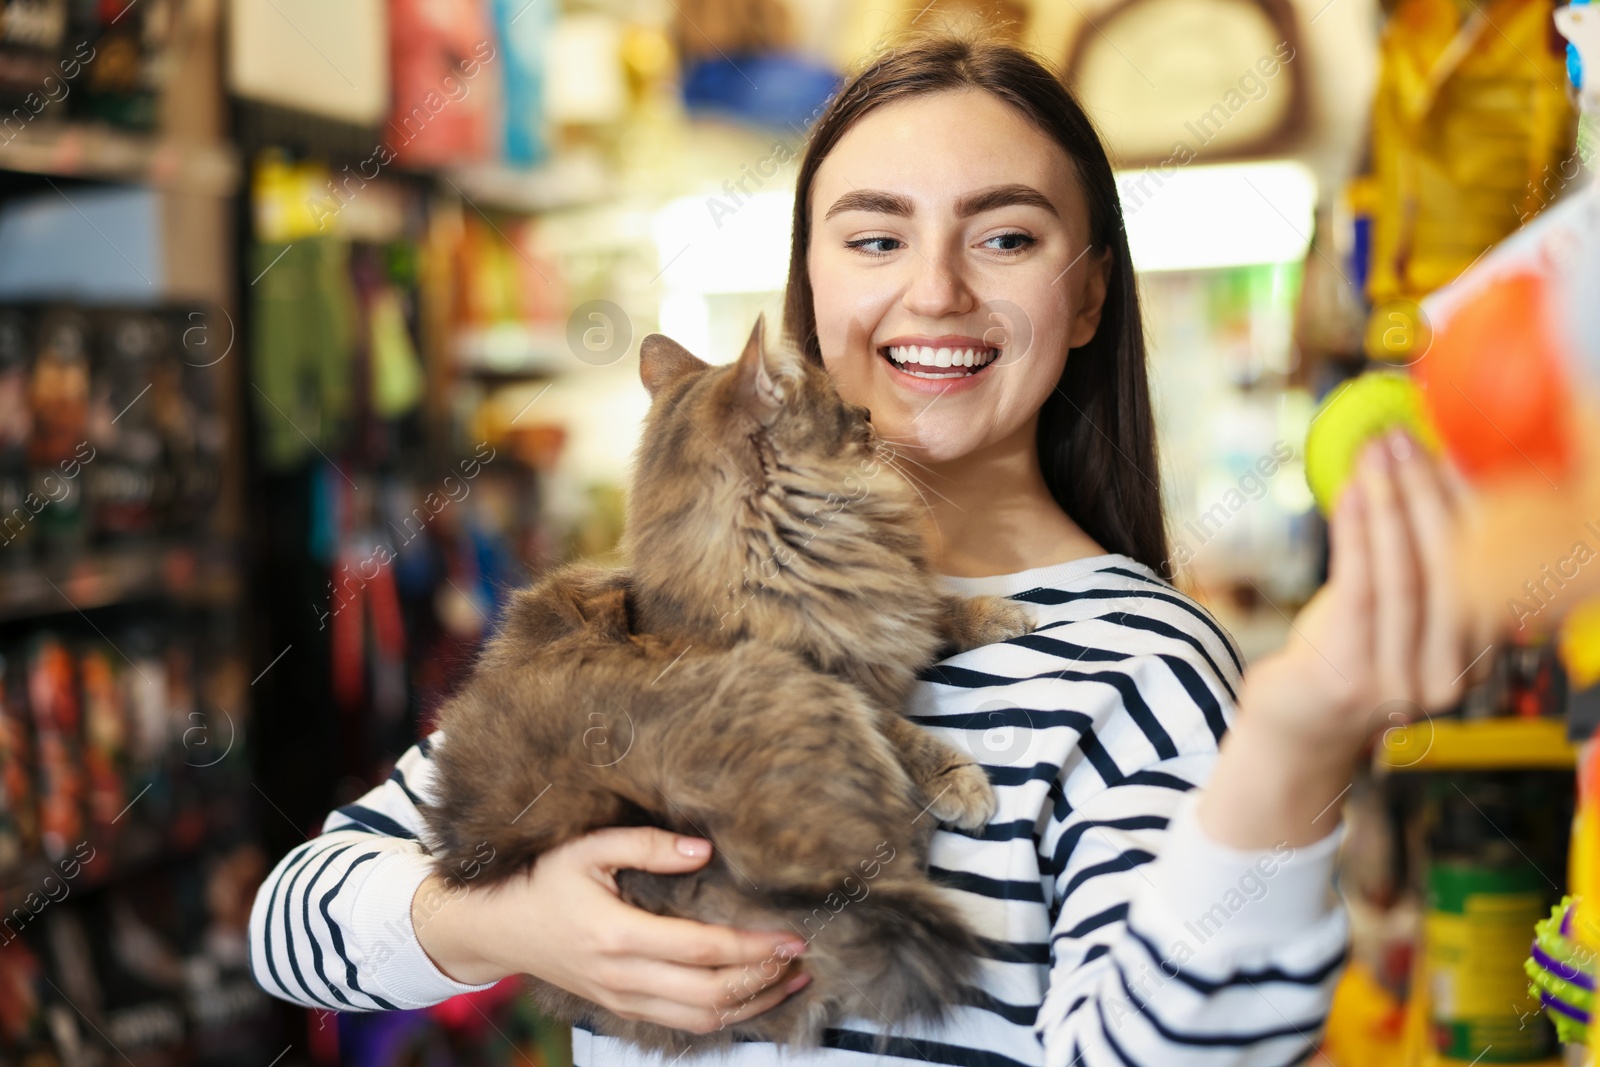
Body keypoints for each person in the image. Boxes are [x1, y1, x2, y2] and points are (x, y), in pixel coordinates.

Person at [248, 32, 1470, 1067]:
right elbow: (292, 924)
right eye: (875, 239)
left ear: (1088, 296)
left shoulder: (1135, 665)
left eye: (1004, 238)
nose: (932, 292)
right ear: (809, 291)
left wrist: (1296, 743)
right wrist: (517, 923)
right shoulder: (640, 617)